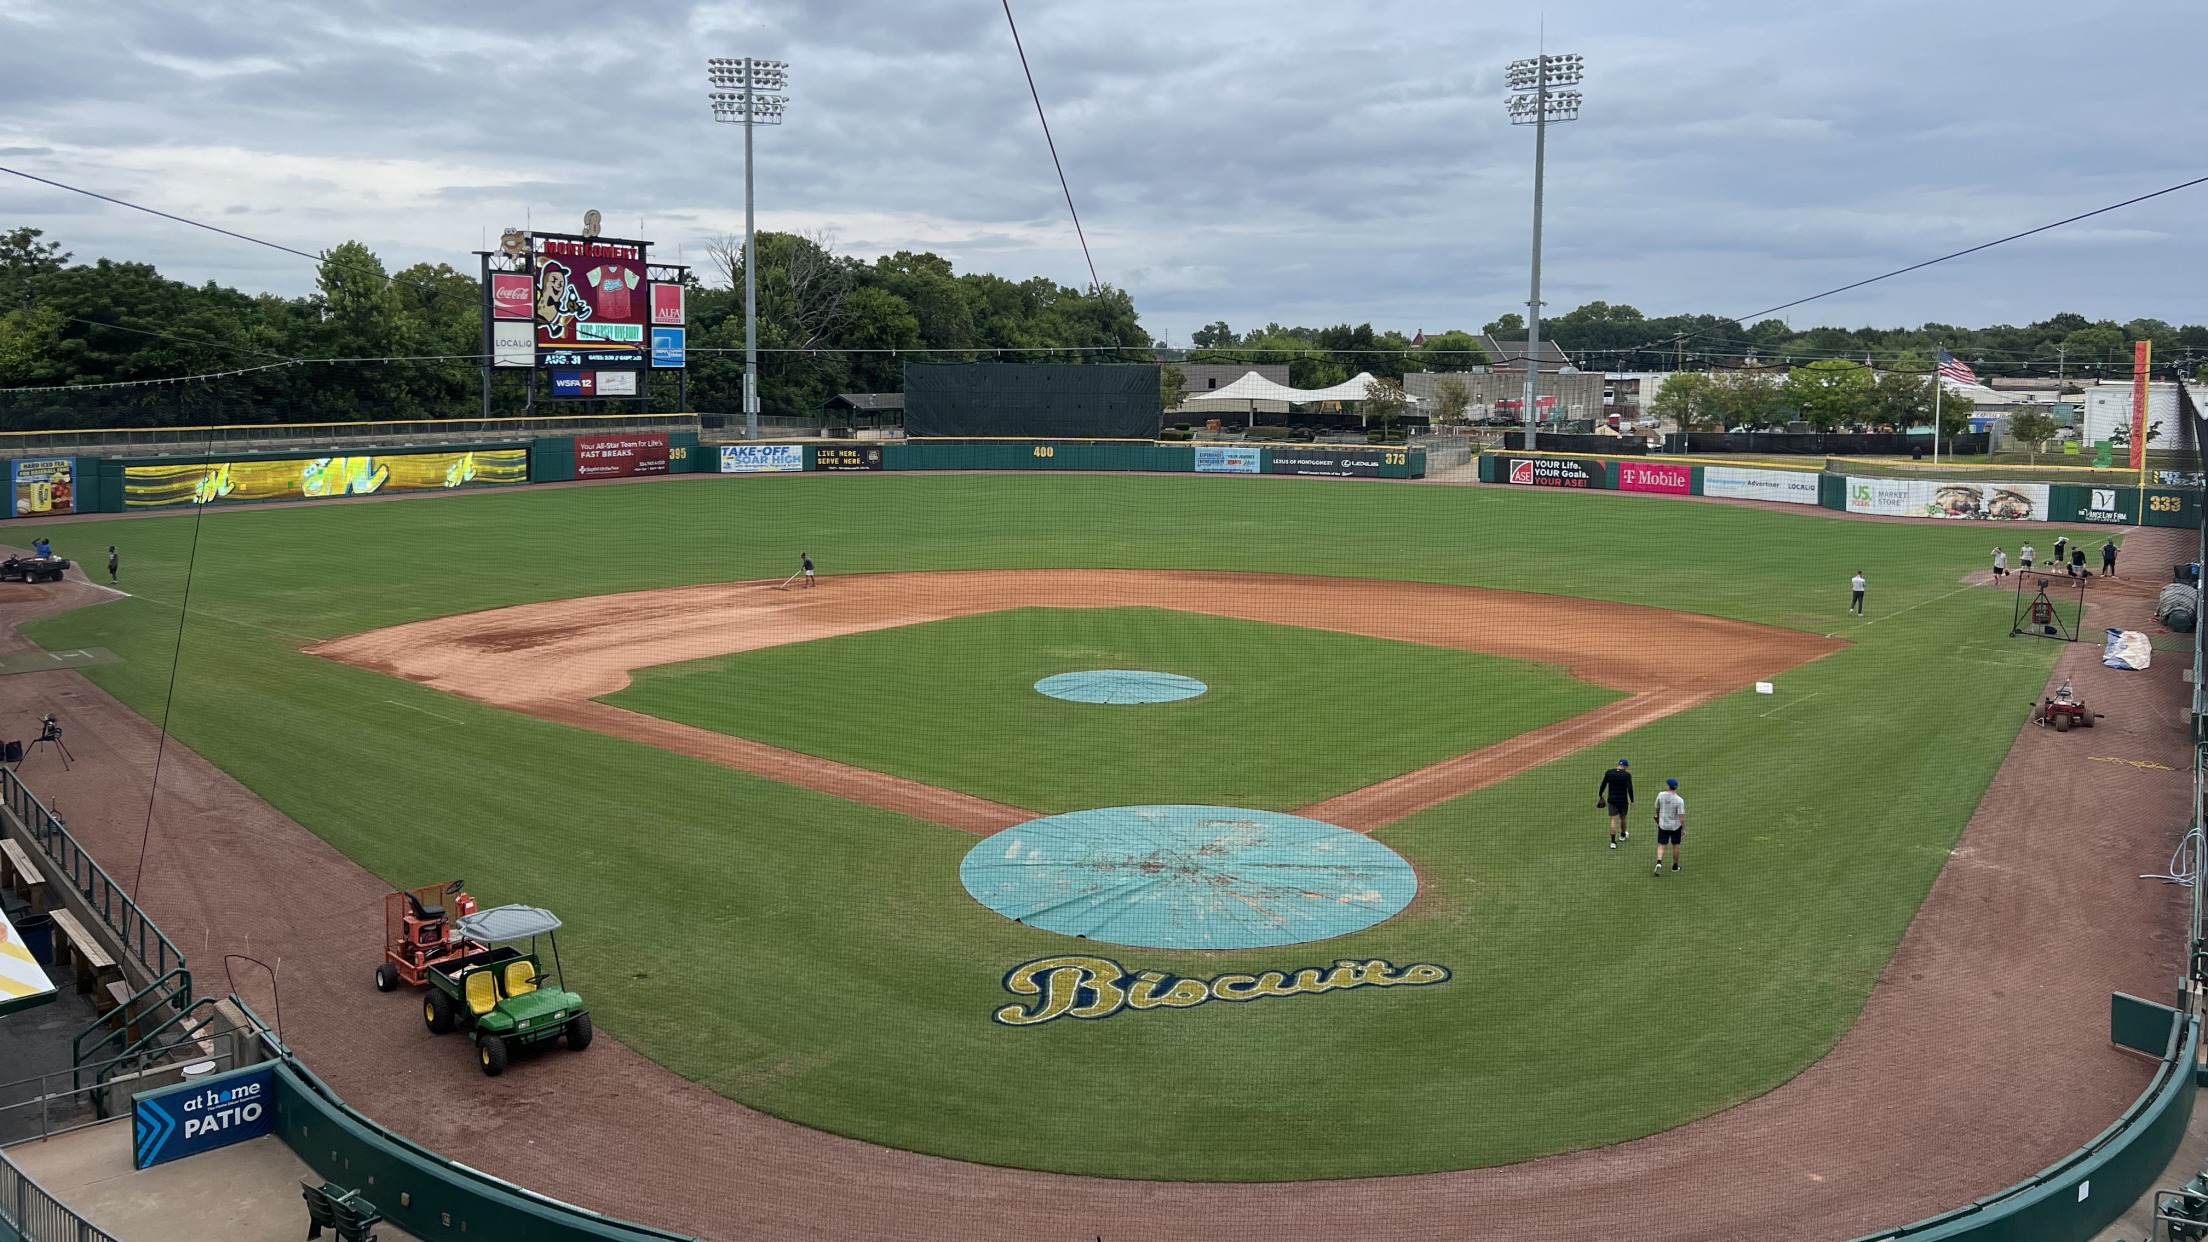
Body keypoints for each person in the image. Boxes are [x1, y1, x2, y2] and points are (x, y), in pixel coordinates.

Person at [1596, 758, 1634, 849]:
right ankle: (1622, 835)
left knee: (1613, 819)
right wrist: (1632, 800)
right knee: (1623, 817)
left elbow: (1603, 784)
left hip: (1612, 800)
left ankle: (1613, 842)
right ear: (1625, 766)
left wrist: (1600, 794)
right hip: (1623, 800)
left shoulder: (1609, 773)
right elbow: (1630, 788)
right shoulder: (1626, 775)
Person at [1653, 778, 1686, 875]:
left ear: (1668, 786)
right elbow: (1681, 816)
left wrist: (1658, 816)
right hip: (1675, 826)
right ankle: (1675, 866)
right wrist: (1684, 828)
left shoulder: (1661, 795)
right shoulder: (1679, 800)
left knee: (1661, 845)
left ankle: (1659, 862)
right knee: (1676, 845)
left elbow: (1657, 807)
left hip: (1663, 825)